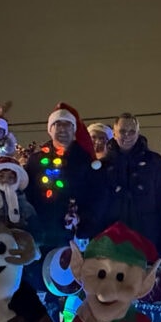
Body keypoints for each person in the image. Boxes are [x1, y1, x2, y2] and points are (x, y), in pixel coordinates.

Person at [24, 103, 100, 252]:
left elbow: (95, 196)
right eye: (58, 124)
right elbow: (28, 193)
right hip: (41, 235)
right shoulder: (35, 160)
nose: (63, 129)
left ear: (74, 130)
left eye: (67, 125)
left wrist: (85, 223)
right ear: (50, 129)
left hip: (73, 234)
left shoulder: (85, 161)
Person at [98, 113, 161, 263]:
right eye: (122, 131)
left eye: (132, 131)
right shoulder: (103, 165)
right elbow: (98, 204)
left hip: (147, 237)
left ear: (138, 133)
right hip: (112, 238)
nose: (127, 135)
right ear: (114, 133)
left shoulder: (154, 162)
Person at [0, 155, 38, 231]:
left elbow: (35, 231)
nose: (5, 180)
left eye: (10, 177)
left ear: (16, 180)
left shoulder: (26, 207)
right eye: (1, 176)